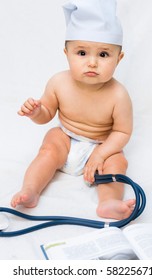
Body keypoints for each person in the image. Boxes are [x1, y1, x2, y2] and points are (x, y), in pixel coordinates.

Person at [11, 0, 135, 220]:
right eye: (81, 53)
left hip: (101, 145)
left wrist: (101, 153)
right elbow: (47, 113)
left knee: (117, 162)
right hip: (67, 137)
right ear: (66, 53)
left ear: (119, 58)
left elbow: (122, 132)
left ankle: (109, 202)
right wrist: (36, 112)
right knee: (50, 145)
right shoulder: (59, 82)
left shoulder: (119, 95)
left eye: (103, 55)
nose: (92, 63)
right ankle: (30, 189)